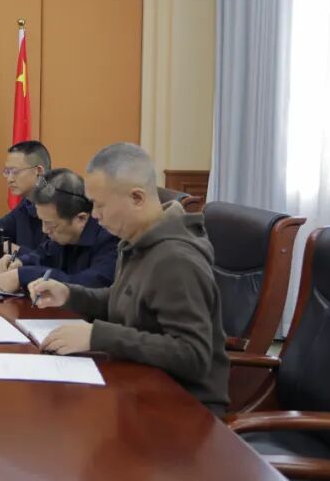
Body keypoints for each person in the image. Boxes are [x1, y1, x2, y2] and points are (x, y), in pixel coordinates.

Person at [27, 143, 229, 415]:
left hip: (183, 409)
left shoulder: (176, 260)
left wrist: (98, 336)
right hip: (141, 384)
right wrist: (69, 294)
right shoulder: (136, 241)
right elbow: (125, 298)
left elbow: (192, 355)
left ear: (137, 198)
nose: (94, 215)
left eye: (100, 205)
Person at [0, 168, 119, 293]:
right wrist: (21, 262)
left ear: (81, 218)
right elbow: (43, 255)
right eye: (42, 221)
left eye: (51, 224)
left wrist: (23, 275)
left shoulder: (111, 238)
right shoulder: (62, 236)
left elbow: (87, 285)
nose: (44, 230)